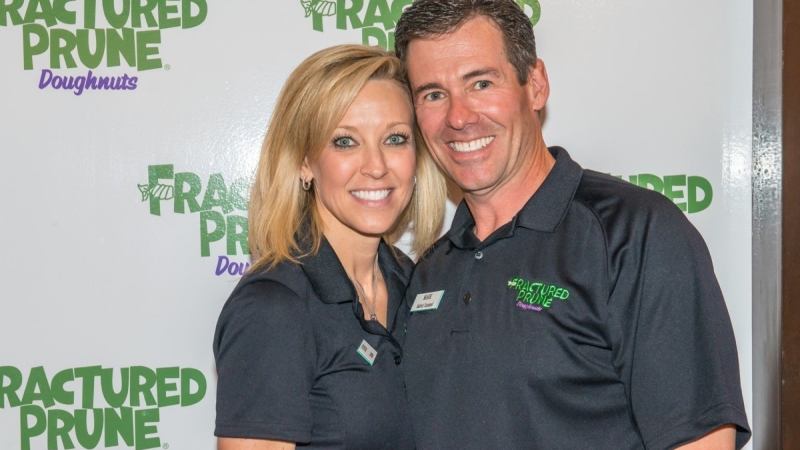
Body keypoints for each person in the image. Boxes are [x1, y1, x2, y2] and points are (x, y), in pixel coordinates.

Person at [393, 1, 752, 449]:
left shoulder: (636, 233)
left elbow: (701, 440)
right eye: (433, 94)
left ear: (536, 85)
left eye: (481, 83)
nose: (458, 117)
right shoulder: (430, 270)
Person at [213, 44, 446, 450]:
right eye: (345, 142)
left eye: (395, 139)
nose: (376, 166)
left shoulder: (416, 285)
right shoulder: (272, 309)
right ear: (304, 162)